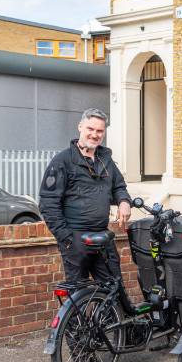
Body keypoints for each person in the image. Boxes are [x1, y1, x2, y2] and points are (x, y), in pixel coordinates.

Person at [39, 108, 132, 283]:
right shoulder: (62, 161)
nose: (95, 135)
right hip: (75, 238)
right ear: (80, 127)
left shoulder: (106, 160)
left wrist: (124, 201)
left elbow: (119, 186)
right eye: (90, 129)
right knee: (78, 292)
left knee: (114, 288)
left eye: (100, 131)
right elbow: (48, 203)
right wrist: (67, 239)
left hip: (102, 237)